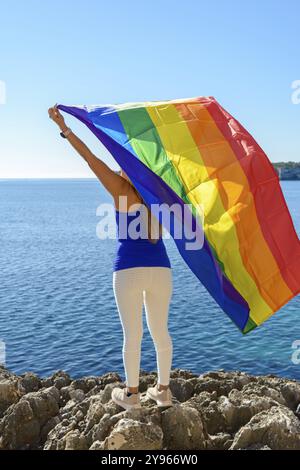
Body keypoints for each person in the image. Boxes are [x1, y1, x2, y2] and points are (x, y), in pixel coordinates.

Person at [48, 105, 174, 410]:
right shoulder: (160, 193)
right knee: (160, 331)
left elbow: (90, 158)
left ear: (126, 168)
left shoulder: (120, 190)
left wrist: (63, 127)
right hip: (161, 270)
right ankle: (163, 391)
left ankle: (132, 395)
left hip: (128, 269)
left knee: (133, 334)